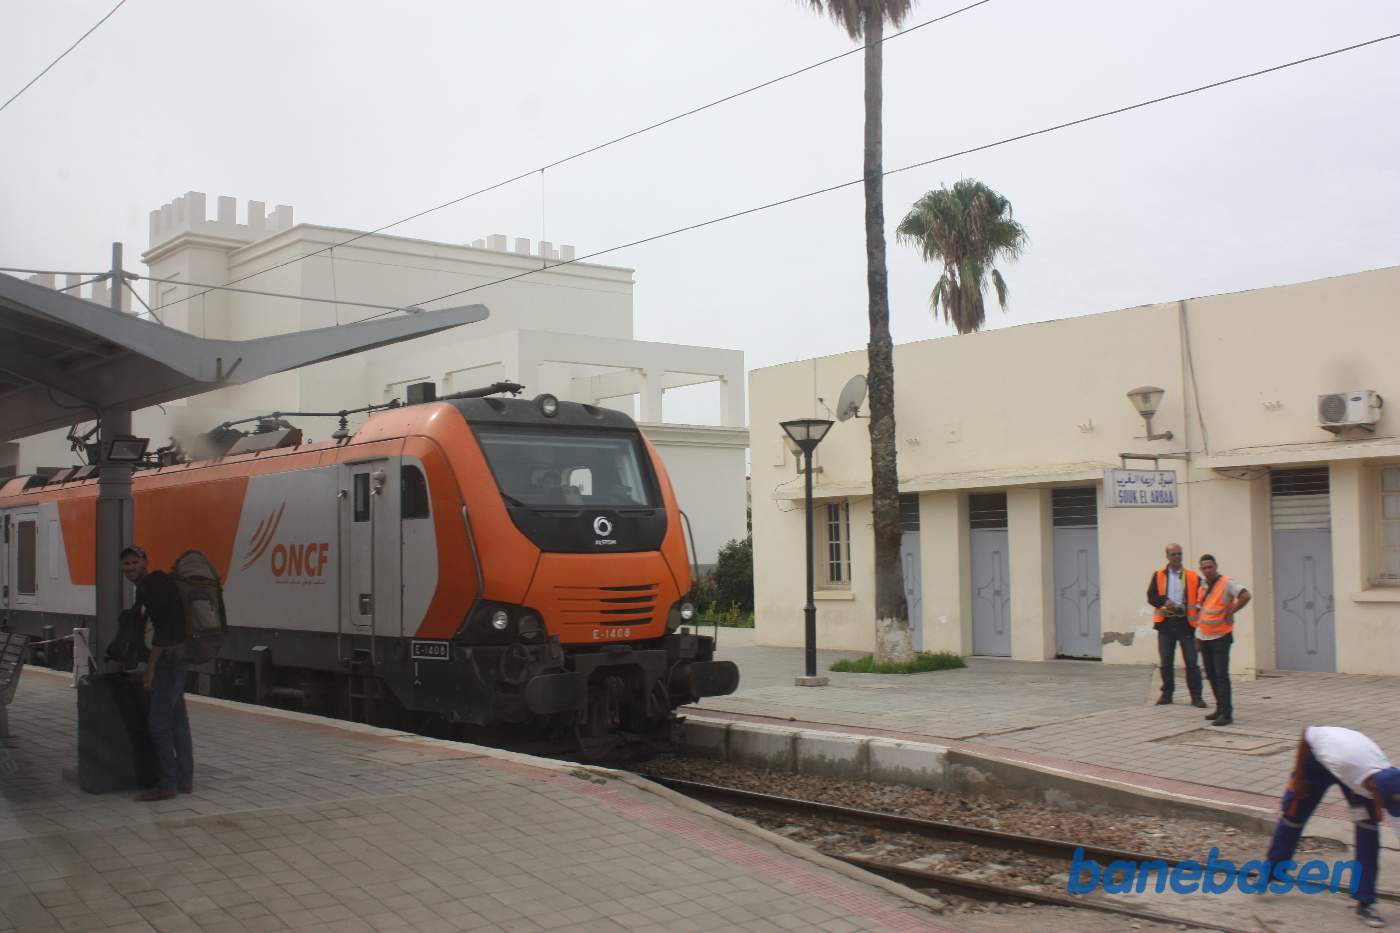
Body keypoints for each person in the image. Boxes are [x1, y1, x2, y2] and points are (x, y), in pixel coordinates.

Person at [1265, 726, 1400, 928]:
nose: (1386, 810)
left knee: (1368, 835)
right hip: (1317, 763)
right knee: (1293, 816)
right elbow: (1306, 733)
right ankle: (1270, 872)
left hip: (1356, 776)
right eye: (1383, 803)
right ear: (1374, 790)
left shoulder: (1390, 782)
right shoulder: (1341, 758)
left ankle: (1365, 901)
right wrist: (1299, 777)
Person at [120, 545, 193, 801]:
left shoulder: (152, 587)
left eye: (134, 562)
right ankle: (184, 780)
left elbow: (163, 630)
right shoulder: (156, 584)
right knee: (178, 723)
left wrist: (150, 668)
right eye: (126, 564)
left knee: (159, 724)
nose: (130, 568)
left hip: (167, 661)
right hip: (177, 658)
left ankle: (167, 784)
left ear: (145, 562)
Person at [1145, 543, 1205, 707]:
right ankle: (1167, 694)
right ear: (1167, 556)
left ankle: (1196, 696)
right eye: (1174, 554)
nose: (1177, 557)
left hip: (1186, 623)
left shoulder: (1192, 576)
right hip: (1166, 623)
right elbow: (1151, 597)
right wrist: (1165, 601)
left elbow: (1202, 596)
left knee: (1192, 662)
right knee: (1166, 662)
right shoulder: (1158, 575)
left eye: (1179, 554)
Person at [1193, 554, 1250, 727]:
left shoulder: (1227, 582)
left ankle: (1227, 713)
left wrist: (1232, 611)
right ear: (1201, 569)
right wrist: (1197, 636)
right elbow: (1200, 611)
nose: (1207, 570)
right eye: (1204, 567)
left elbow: (1245, 595)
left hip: (1221, 637)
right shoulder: (1203, 586)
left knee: (1221, 675)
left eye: (1210, 567)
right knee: (1210, 674)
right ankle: (1219, 708)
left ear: (1216, 566)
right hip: (1204, 636)